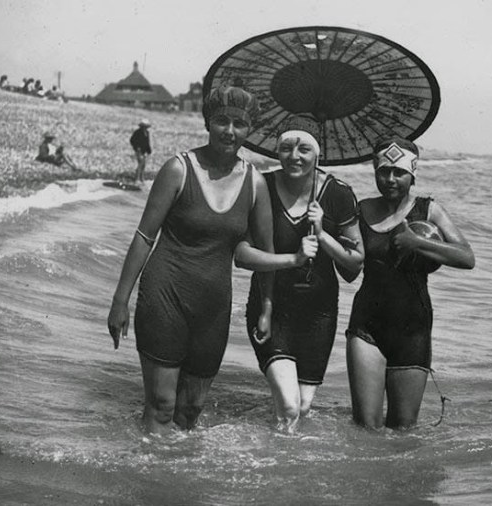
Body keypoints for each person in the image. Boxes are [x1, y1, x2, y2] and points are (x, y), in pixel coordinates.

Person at [106, 86, 294, 435]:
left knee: (190, 410)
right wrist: (120, 301)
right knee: (162, 406)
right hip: (165, 298)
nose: (230, 131)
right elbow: (144, 236)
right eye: (222, 121)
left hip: (213, 309)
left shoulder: (255, 184)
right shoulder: (178, 170)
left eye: (240, 124)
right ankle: (145, 467)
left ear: (249, 129)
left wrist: (267, 308)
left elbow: (264, 254)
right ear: (208, 122)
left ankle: (172, 472)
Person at [235, 121, 364, 433]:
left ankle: (275, 452)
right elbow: (241, 255)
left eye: (304, 149)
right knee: (290, 406)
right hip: (270, 306)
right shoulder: (261, 186)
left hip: (319, 313)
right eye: (286, 148)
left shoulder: (338, 194)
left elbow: (355, 265)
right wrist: (293, 259)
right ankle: (269, 458)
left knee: (301, 407)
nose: (294, 156)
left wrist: (323, 234)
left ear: (317, 154)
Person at [345, 137, 475, 430]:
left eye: (399, 172)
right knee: (365, 427)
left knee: (403, 430)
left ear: (413, 174)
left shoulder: (429, 210)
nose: (390, 179)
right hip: (366, 326)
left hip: (412, 330)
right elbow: (349, 269)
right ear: (375, 171)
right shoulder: (360, 210)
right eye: (383, 171)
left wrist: (417, 242)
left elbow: (467, 257)